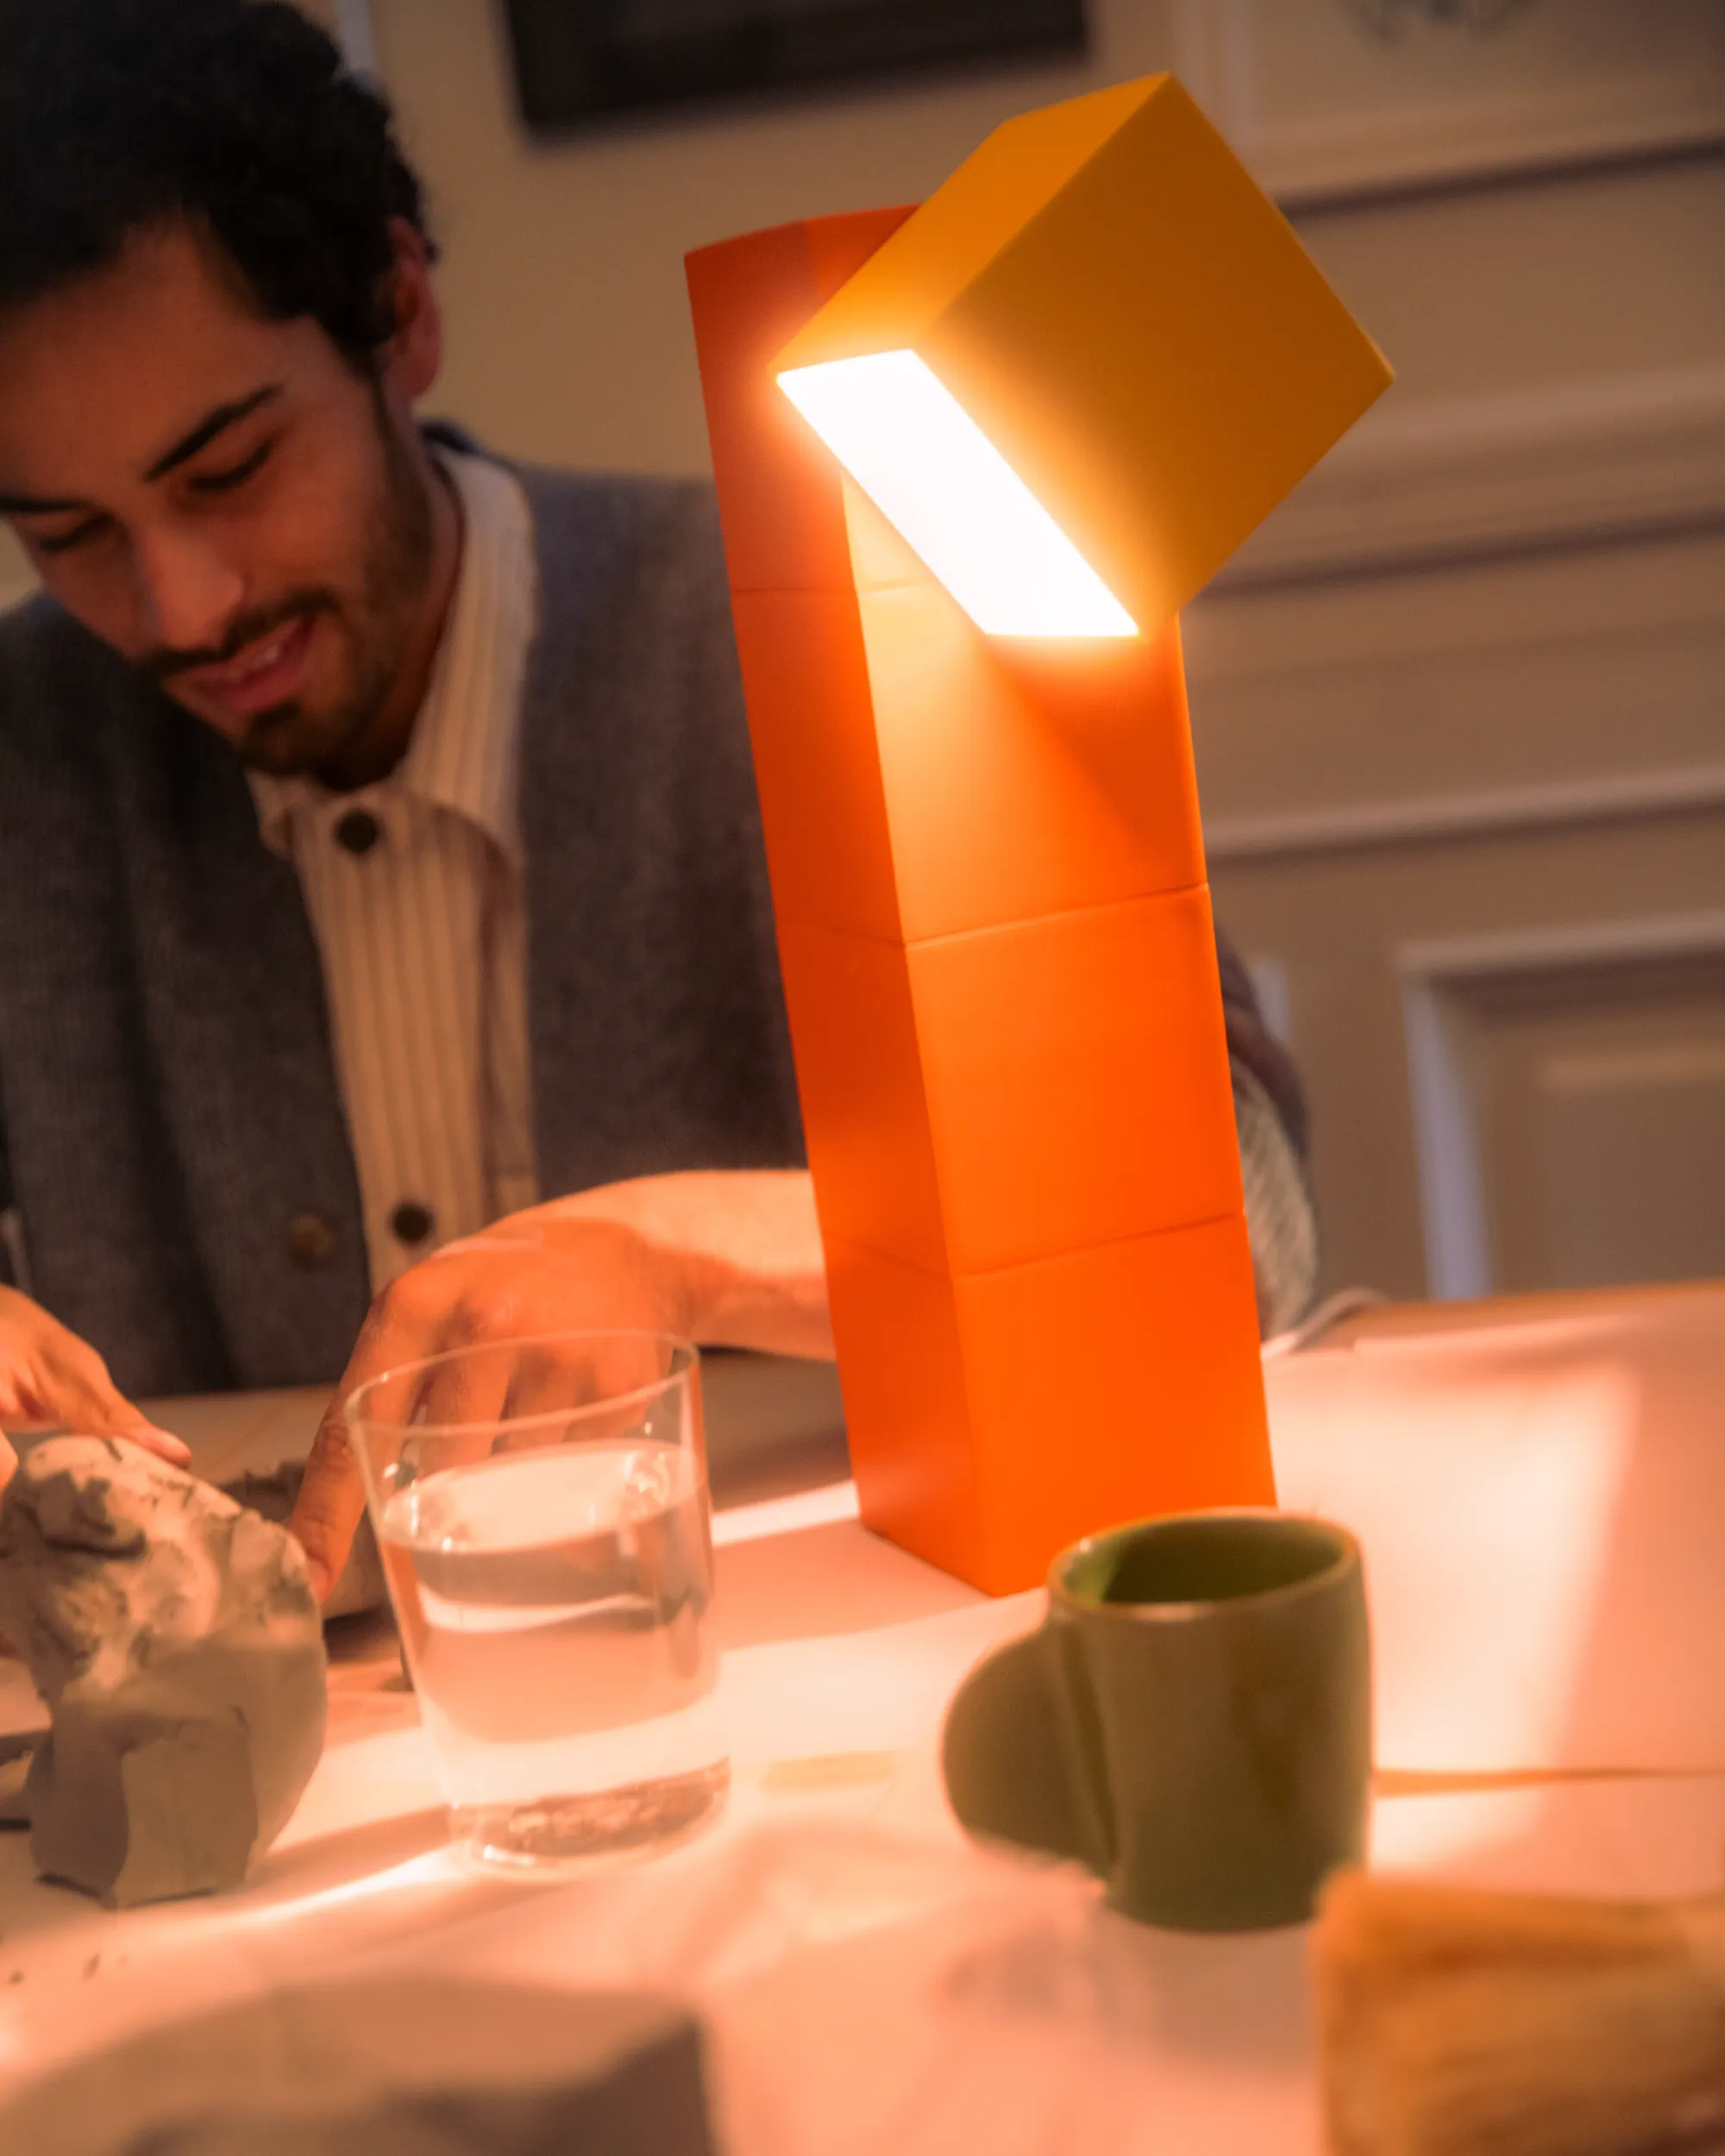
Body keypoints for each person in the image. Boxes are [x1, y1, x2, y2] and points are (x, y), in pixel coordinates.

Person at [0, 0, 1317, 1593]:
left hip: (828, 1663)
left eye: (229, 473)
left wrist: (666, 1257)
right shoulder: (28, 750)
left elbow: (1238, 1220)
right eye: (69, 534)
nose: (182, 603)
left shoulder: (819, 621)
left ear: (399, 315)